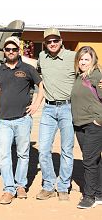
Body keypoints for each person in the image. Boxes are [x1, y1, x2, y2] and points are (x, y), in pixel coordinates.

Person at [0, 36, 44, 204]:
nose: (10, 52)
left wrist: (37, 104)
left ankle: (20, 185)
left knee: (23, 154)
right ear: (4, 52)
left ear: (18, 51)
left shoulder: (28, 69)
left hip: (23, 119)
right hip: (4, 122)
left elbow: (41, 86)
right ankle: (8, 189)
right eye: (7, 49)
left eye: (14, 49)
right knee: (4, 155)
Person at [36, 28, 75, 201]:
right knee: (43, 150)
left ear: (61, 40)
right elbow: (40, 78)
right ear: (45, 43)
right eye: (49, 41)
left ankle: (64, 187)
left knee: (67, 150)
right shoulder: (42, 57)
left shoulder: (73, 57)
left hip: (68, 108)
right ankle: (48, 185)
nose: (52, 44)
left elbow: (89, 70)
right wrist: (37, 101)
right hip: (49, 109)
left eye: (55, 40)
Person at [71, 46, 102, 209]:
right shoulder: (79, 76)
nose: (83, 62)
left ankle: (89, 196)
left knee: (89, 160)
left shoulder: (97, 76)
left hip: (93, 125)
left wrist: (99, 120)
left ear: (93, 60)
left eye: (86, 59)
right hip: (80, 124)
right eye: (81, 59)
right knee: (95, 160)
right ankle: (99, 193)